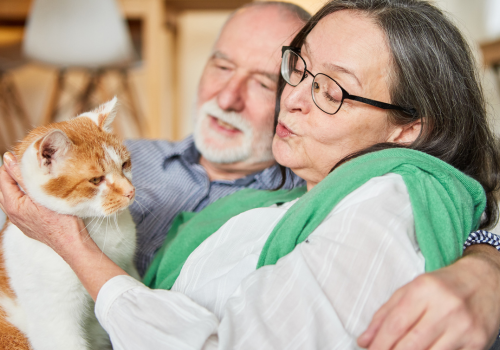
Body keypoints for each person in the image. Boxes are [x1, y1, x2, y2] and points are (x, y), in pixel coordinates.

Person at [2, 1, 500, 349]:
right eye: (296, 70)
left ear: (406, 129)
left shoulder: (299, 187)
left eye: (265, 80)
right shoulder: (130, 154)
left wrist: (486, 261)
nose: (295, 96)